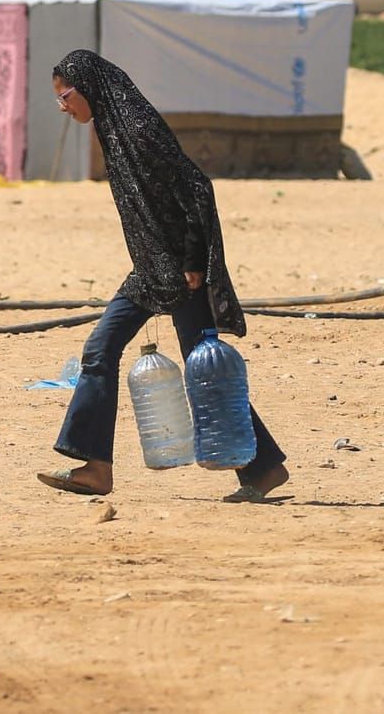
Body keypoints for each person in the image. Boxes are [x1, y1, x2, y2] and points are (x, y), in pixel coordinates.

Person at [35, 49, 290, 502]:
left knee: (200, 368)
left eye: (66, 96)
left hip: (178, 271)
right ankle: (96, 467)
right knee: (106, 351)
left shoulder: (138, 128)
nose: (63, 106)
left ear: (88, 88)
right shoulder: (112, 129)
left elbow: (195, 187)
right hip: (152, 270)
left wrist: (194, 261)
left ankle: (263, 467)